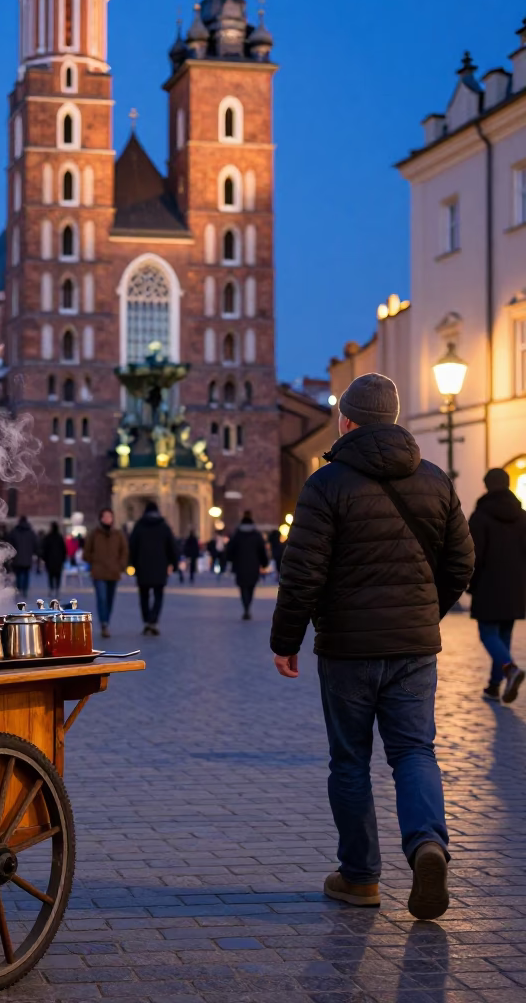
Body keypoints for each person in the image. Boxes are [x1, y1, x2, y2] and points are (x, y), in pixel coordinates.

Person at [271, 374, 474, 921]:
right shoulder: (434, 479)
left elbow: (302, 572)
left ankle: (360, 877)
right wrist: (425, 613)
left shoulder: (326, 484)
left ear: (348, 420)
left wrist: (286, 641)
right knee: (414, 751)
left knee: (350, 762)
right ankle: (427, 844)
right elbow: (461, 562)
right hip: (413, 647)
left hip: (347, 650)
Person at [467, 468, 526, 703]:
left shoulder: (480, 516)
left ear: (487, 486)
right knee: (503, 635)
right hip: (516, 587)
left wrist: (469, 581)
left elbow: (474, 555)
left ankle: (510, 670)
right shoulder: (523, 516)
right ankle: (494, 685)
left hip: (488, 586)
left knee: (488, 634)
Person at [128, 502, 177, 636]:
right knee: (158, 595)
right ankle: (153, 620)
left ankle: (146, 620)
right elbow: (172, 546)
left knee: (143, 596)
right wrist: (173, 563)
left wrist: (131, 564)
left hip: (142, 566)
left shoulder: (139, 526)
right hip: (160, 566)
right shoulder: (164, 526)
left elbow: (132, 546)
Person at [83, 508, 129, 638]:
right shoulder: (94, 534)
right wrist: (95, 561)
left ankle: (106, 620)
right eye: (105, 516)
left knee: (109, 599)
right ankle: (104, 623)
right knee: (101, 598)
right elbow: (86, 552)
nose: (108, 519)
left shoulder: (118, 534)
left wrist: (121, 565)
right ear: (101, 518)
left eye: (110, 516)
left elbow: (124, 551)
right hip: (99, 572)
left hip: (113, 572)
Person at [225, 512, 268, 620]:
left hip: (240, 565)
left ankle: (246, 607)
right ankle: (248, 606)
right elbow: (262, 551)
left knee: (243, 587)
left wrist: (230, 560)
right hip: (253, 566)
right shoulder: (257, 535)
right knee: (251, 587)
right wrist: (264, 563)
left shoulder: (237, 535)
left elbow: (229, 550)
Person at [6, 516, 37, 597]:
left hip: (17, 559)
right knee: (26, 574)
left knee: (18, 575)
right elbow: (35, 544)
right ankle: (25, 590)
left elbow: (9, 544)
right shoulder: (31, 532)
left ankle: (19, 589)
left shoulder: (14, 532)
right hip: (27, 558)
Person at [40, 522, 67, 596]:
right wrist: (63, 559)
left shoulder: (48, 537)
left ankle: (51, 589)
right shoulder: (59, 537)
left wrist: (44, 558)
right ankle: (57, 589)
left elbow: (44, 549)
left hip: (50, 560)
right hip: (58, 560)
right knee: (58, 576)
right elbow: (64, 549)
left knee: (50, 576)